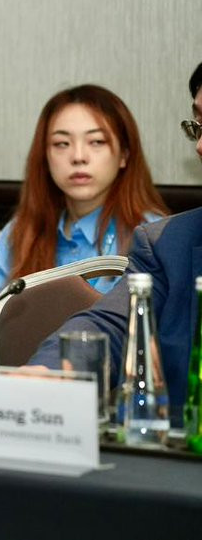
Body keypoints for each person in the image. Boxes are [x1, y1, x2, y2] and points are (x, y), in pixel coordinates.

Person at [29, 64, 202, 423]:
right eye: (198, 126)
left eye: (96, 142)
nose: (199, 146)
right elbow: (111, 325)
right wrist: (50, 372)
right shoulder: (168, 243)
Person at [0, 85, 166, 353]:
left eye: (96, 142)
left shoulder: (153, 236)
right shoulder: (18, 234)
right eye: (61, 144)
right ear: (45, 157)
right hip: (22, 377)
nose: (78, 157)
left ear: (124, 154)